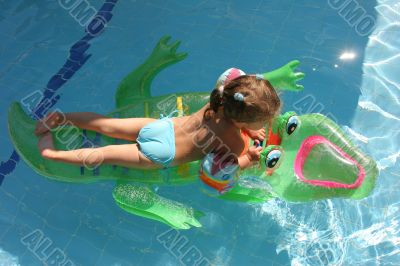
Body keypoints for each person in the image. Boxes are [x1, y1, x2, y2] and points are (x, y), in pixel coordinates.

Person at [35, 70, 281, 171]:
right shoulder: (235, 141)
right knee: (104, 154)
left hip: (160, 127)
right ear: (245, 123)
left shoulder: (217, 100)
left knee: (107, 125)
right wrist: (249, 157)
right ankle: (51, 155)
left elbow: (235, 80)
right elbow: (226, 167)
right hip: (164, 152)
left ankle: (61, 118)